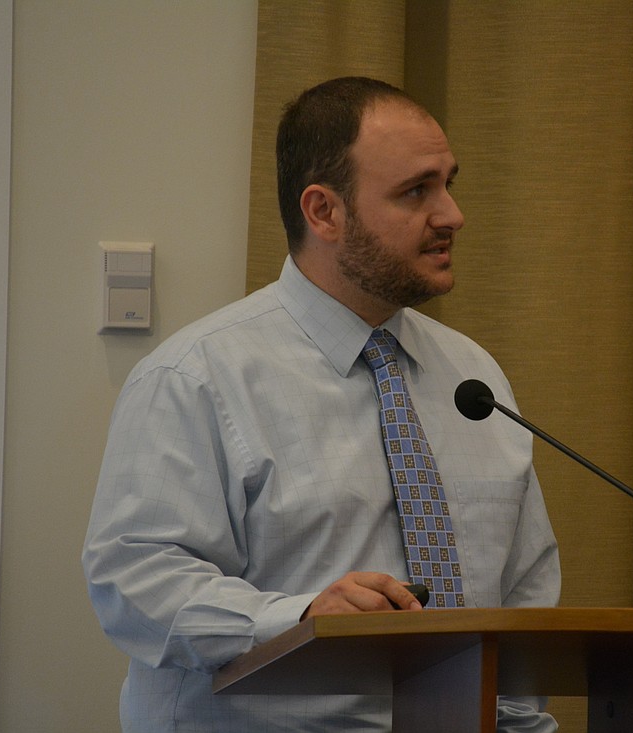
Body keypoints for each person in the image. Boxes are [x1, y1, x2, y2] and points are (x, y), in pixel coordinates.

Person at [83, 76, 561, 732]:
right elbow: (134, 583)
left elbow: (522, 597)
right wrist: (303, 619)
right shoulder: (195, 377)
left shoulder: (473, 377)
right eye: (416, 190)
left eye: (450, 183)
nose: (452, 214)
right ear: (324, 211)